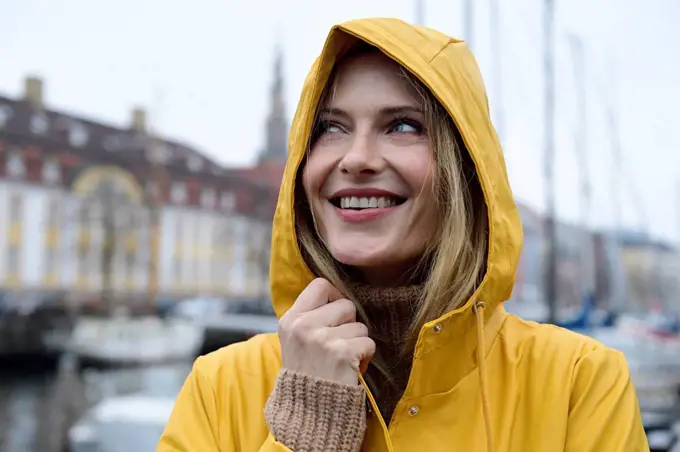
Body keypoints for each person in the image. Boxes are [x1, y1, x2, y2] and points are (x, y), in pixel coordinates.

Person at [158, 18, 648, 452]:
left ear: (466, 169)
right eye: (331, 128)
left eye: (403, 126)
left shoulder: (578, 382)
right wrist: (307, 432)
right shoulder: (221, 387)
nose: (356, 157)